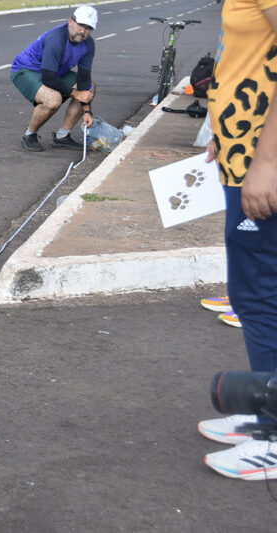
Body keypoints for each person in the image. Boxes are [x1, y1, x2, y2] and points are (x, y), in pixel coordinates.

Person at [197, 0, 277, 480]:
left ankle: (274, 431)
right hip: (241, 149)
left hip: (260, 160)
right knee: (254, 291)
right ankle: (267, 405)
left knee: (259, 292)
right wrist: (221, 134)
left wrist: (267, 161)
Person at [10, 5, 98, 152]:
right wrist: (76, 94)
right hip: (26, 70)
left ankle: (62, 137)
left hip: (54, 71)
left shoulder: (88, 44)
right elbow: (49, 79)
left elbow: (84, 78)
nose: (83, 31)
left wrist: (87, 111)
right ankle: (29, 134)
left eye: (88, 28)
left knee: (90, 87)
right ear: (70, 21)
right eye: (81, 25)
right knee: (53, 99)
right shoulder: (56, 39)